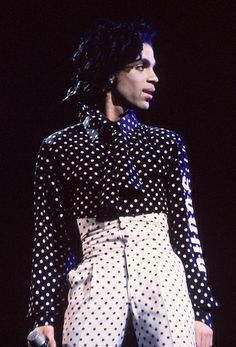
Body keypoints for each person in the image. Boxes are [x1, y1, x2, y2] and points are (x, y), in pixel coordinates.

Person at [28, 20, 218, 347]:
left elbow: (187, 231)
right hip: (96, 272)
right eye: (141, 66)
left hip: (161, 271)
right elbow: (50, 236)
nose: (154, 77)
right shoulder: (59, 147)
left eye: (153, 67)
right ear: (111, 71)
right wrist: (43, 315)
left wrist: (202, 310)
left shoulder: (165, 144)